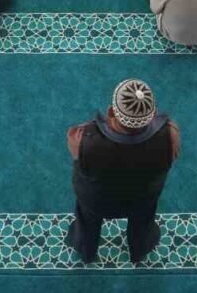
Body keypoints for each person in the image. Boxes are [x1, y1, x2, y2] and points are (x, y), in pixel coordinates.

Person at [66, 79, 181, 265]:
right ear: (152, 114)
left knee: (87, 221)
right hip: (142, 199)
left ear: (111, 111)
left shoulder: (84, 139)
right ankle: (139, 251)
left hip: (96, 202)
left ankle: (86, 251)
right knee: (143, 222)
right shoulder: (170, 135)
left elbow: (75, 152)